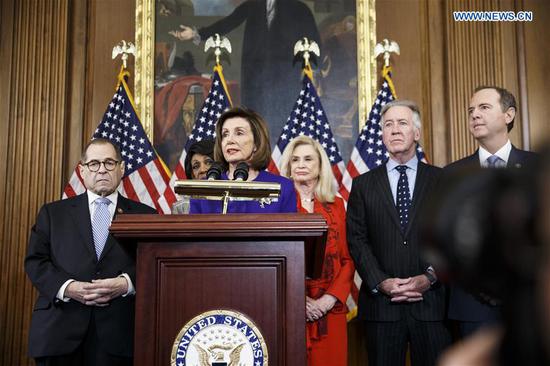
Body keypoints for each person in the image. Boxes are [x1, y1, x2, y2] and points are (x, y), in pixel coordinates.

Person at [24, 139, 157, 366]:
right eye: (94, 164)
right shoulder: (53, 213)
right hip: (59, 330)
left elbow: (154, 263)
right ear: (83, 171)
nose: (102, 169)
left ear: (121, 168)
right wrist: (68, 288)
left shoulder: (146, 216)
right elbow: (36, 261)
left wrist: (126, 284)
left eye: (109, 163)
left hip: (121, 333)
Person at [347, 100, 450, 366]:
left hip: (432, 305)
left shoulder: (441, 180)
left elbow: (451, 237)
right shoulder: (362, 185)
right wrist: (381, 282)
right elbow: (357, 240)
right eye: (388, 125)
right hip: (382, 308)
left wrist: (429, 277)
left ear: (416, 133)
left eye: (402, 123)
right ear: (381, 135)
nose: (394, 130)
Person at [446, 86, 538, 337]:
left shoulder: (538, 168)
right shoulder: (453, 174)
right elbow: (447, 240)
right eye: (471, 110)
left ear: (508, 115)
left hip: (530, 303)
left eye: (484, 108)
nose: (474, 115)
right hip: (473, 305)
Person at [169, 0, 320, 142]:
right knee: (256, 127)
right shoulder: (253, 4)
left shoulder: (299, 8)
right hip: (256, 78)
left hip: (286, 78)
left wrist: (312, 70)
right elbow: (228, 23)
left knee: (284, 125)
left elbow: (313, 41)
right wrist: (197, 34)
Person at [279, 135, 354, 366]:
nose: (301, 164)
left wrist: (327, 301)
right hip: (288, 309)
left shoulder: (337, 205)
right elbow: (274, 259)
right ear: (289, 167)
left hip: (330, 311)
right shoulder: (279, 206)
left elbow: (348, 259)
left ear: (320, 166)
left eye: (308, 159)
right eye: (295, 160)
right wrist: (298, 300)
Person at [190, 106, 296, 213]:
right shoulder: (203, 188)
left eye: (239, 133)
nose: (229, 140)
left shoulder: (283, 187)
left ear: (256, 143)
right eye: (225, 134)